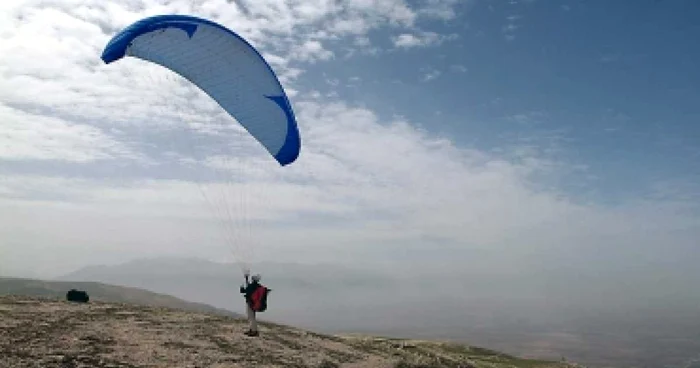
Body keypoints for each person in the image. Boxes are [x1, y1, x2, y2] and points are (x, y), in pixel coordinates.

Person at [240, 272, 262, 336]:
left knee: (251, 317)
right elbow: (249, 287)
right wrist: (246, 279)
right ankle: (252, 329)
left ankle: (254, 331)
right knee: (252, 316)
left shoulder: (252, 286)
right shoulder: (258, 286)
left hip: (250, 303)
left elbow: (244, 291)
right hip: (255, 304)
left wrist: (241, 288)